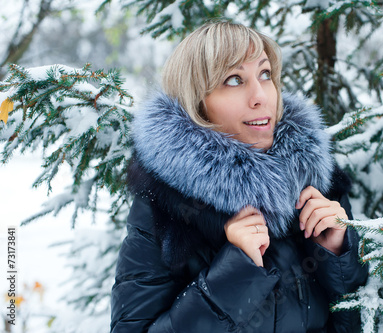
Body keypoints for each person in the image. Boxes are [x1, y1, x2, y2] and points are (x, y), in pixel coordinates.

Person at [110, 21, 368, 333]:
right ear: (198, 104)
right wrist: (232, 274)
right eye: (234, 80)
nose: (261, 96)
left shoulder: (317, 182)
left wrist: (338, 256)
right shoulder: (166, 207)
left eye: (265, 74)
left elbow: (359, 321)